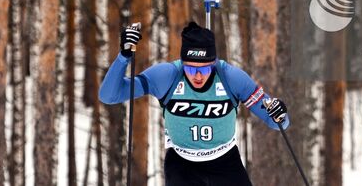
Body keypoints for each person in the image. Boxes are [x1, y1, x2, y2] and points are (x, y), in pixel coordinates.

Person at [99, 19, 291, 185]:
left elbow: (277, 122)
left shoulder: (231, 78)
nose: (198, 76)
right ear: (182, 63)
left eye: (205, 70)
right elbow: (109, 96)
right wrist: (123, 57)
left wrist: (279, 114)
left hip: (225, 162)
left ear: (213, 64)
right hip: (182, 165)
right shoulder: (167, 76)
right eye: (191, 70)